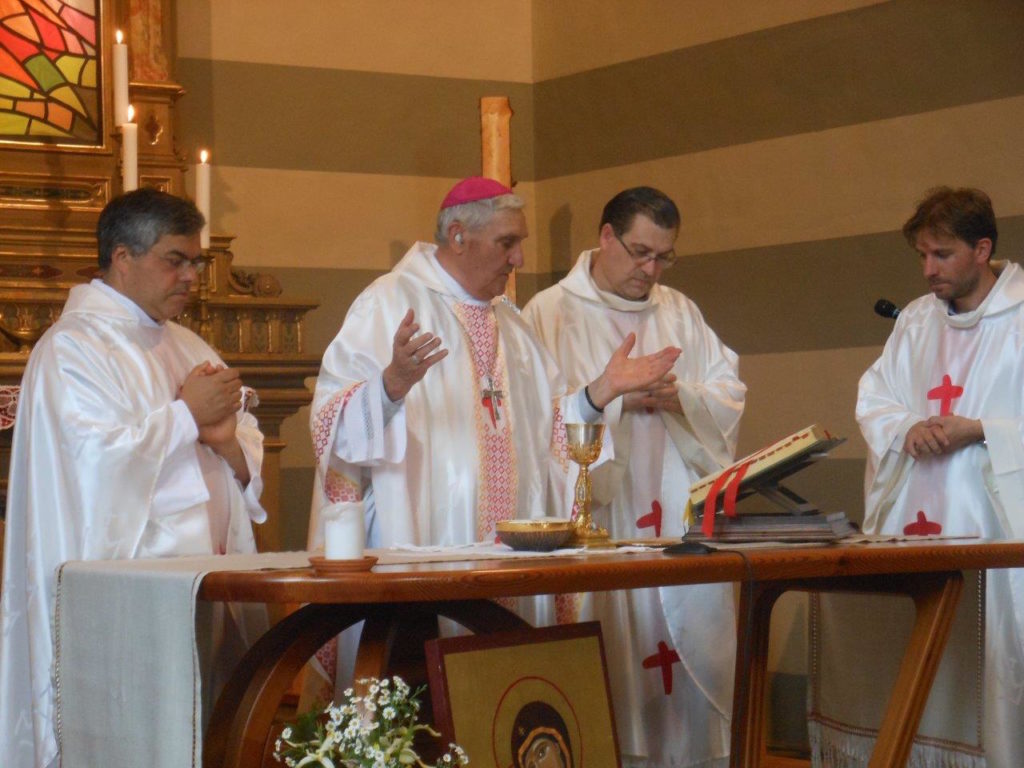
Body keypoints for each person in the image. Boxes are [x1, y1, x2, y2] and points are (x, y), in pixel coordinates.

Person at [305, 178, 680, 693]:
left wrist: (600, 391)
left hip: (510, 566)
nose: (519, 259)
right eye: (508, 243)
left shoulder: (514, 325)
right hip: (420, 549)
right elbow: (328, 425)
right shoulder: (390, 303)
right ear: (458, 236)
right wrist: (391, 385)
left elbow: (548, 429)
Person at [0, 188, 266, 768]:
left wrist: (226, 444)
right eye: (176, 259)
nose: (192, 275)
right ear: (122, 257)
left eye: (195, 261)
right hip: (131, 599)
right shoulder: (73, 349)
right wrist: (184, 416)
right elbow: (92, 467)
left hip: (204, 583)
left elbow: (238, 447)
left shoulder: (186, 342)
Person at [522, 186, 745, 768]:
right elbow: (530, 422)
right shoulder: (548, 314)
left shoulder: (678, 311)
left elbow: (728, 392)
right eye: (640, 253)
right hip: (602, 518)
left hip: (674, 510)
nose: (651, 271)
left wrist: (681, 397)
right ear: (605, 238)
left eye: (663, 257)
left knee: (683, 661)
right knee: (614, 660)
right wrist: (607, 396)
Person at [844, 187, 1024, 767]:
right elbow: (876, 395)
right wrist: (904, 427)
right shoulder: (917, 321)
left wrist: (982, 428)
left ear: (982, 248)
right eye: (922, 255)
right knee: (917, 659)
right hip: (916, 517)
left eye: (941, 255)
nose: (928, 270)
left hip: (994, 525)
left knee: (990, 663)